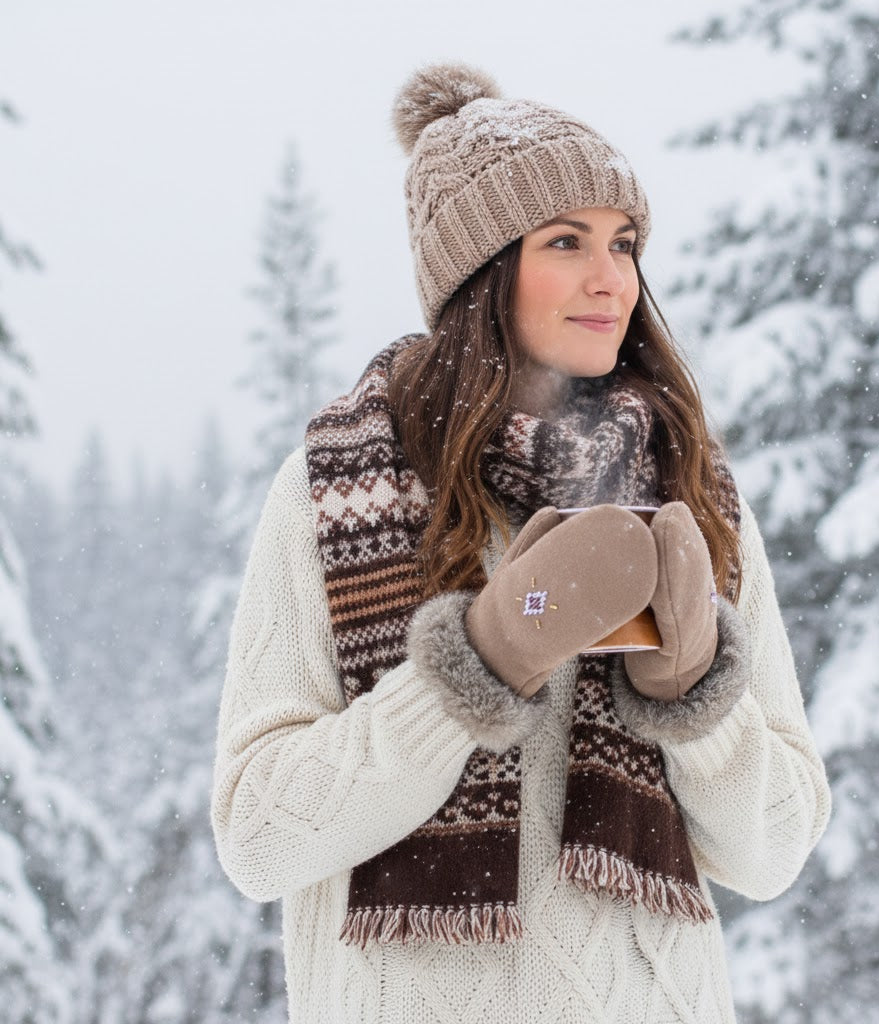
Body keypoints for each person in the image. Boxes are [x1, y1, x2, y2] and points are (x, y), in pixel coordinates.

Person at [211, 61, 832, 1024]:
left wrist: (695, 687)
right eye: (567, 242)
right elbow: (257, 837)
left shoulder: (692, 496)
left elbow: (775, 847)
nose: (610, 278)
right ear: (482, 271)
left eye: (624, 244)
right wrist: (476, 668)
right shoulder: (336, 492)